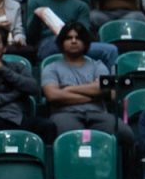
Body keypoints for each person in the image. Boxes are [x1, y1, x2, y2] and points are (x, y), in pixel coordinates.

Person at [41, 23, 133, 154]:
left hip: (99, 115)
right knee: (72, 140)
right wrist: (93, 95)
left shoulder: (98, 65)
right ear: (61, 43)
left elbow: (106, 90)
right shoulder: (51, 68)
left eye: (78, 38)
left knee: (126, 133)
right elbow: (53, 95)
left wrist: (67, 89)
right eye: (68, 38)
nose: (74, 41)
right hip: (65, 115)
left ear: (85, 43)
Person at [0, 26, 55, 144]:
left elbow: (34, 88)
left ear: (4, 48)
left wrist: (3, 69)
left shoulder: (18, 67)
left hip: (21, 118)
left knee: (48, 126)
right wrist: (15, 94)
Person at [27, 0, 119, 67]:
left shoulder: (80, 5)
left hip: (75, 42)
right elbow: (30, 37)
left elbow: (83, 34)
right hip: (49, 43)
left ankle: (108, 83)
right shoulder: (36, 1)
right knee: (53, 44)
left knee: (111, 50)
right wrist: (37, 16)